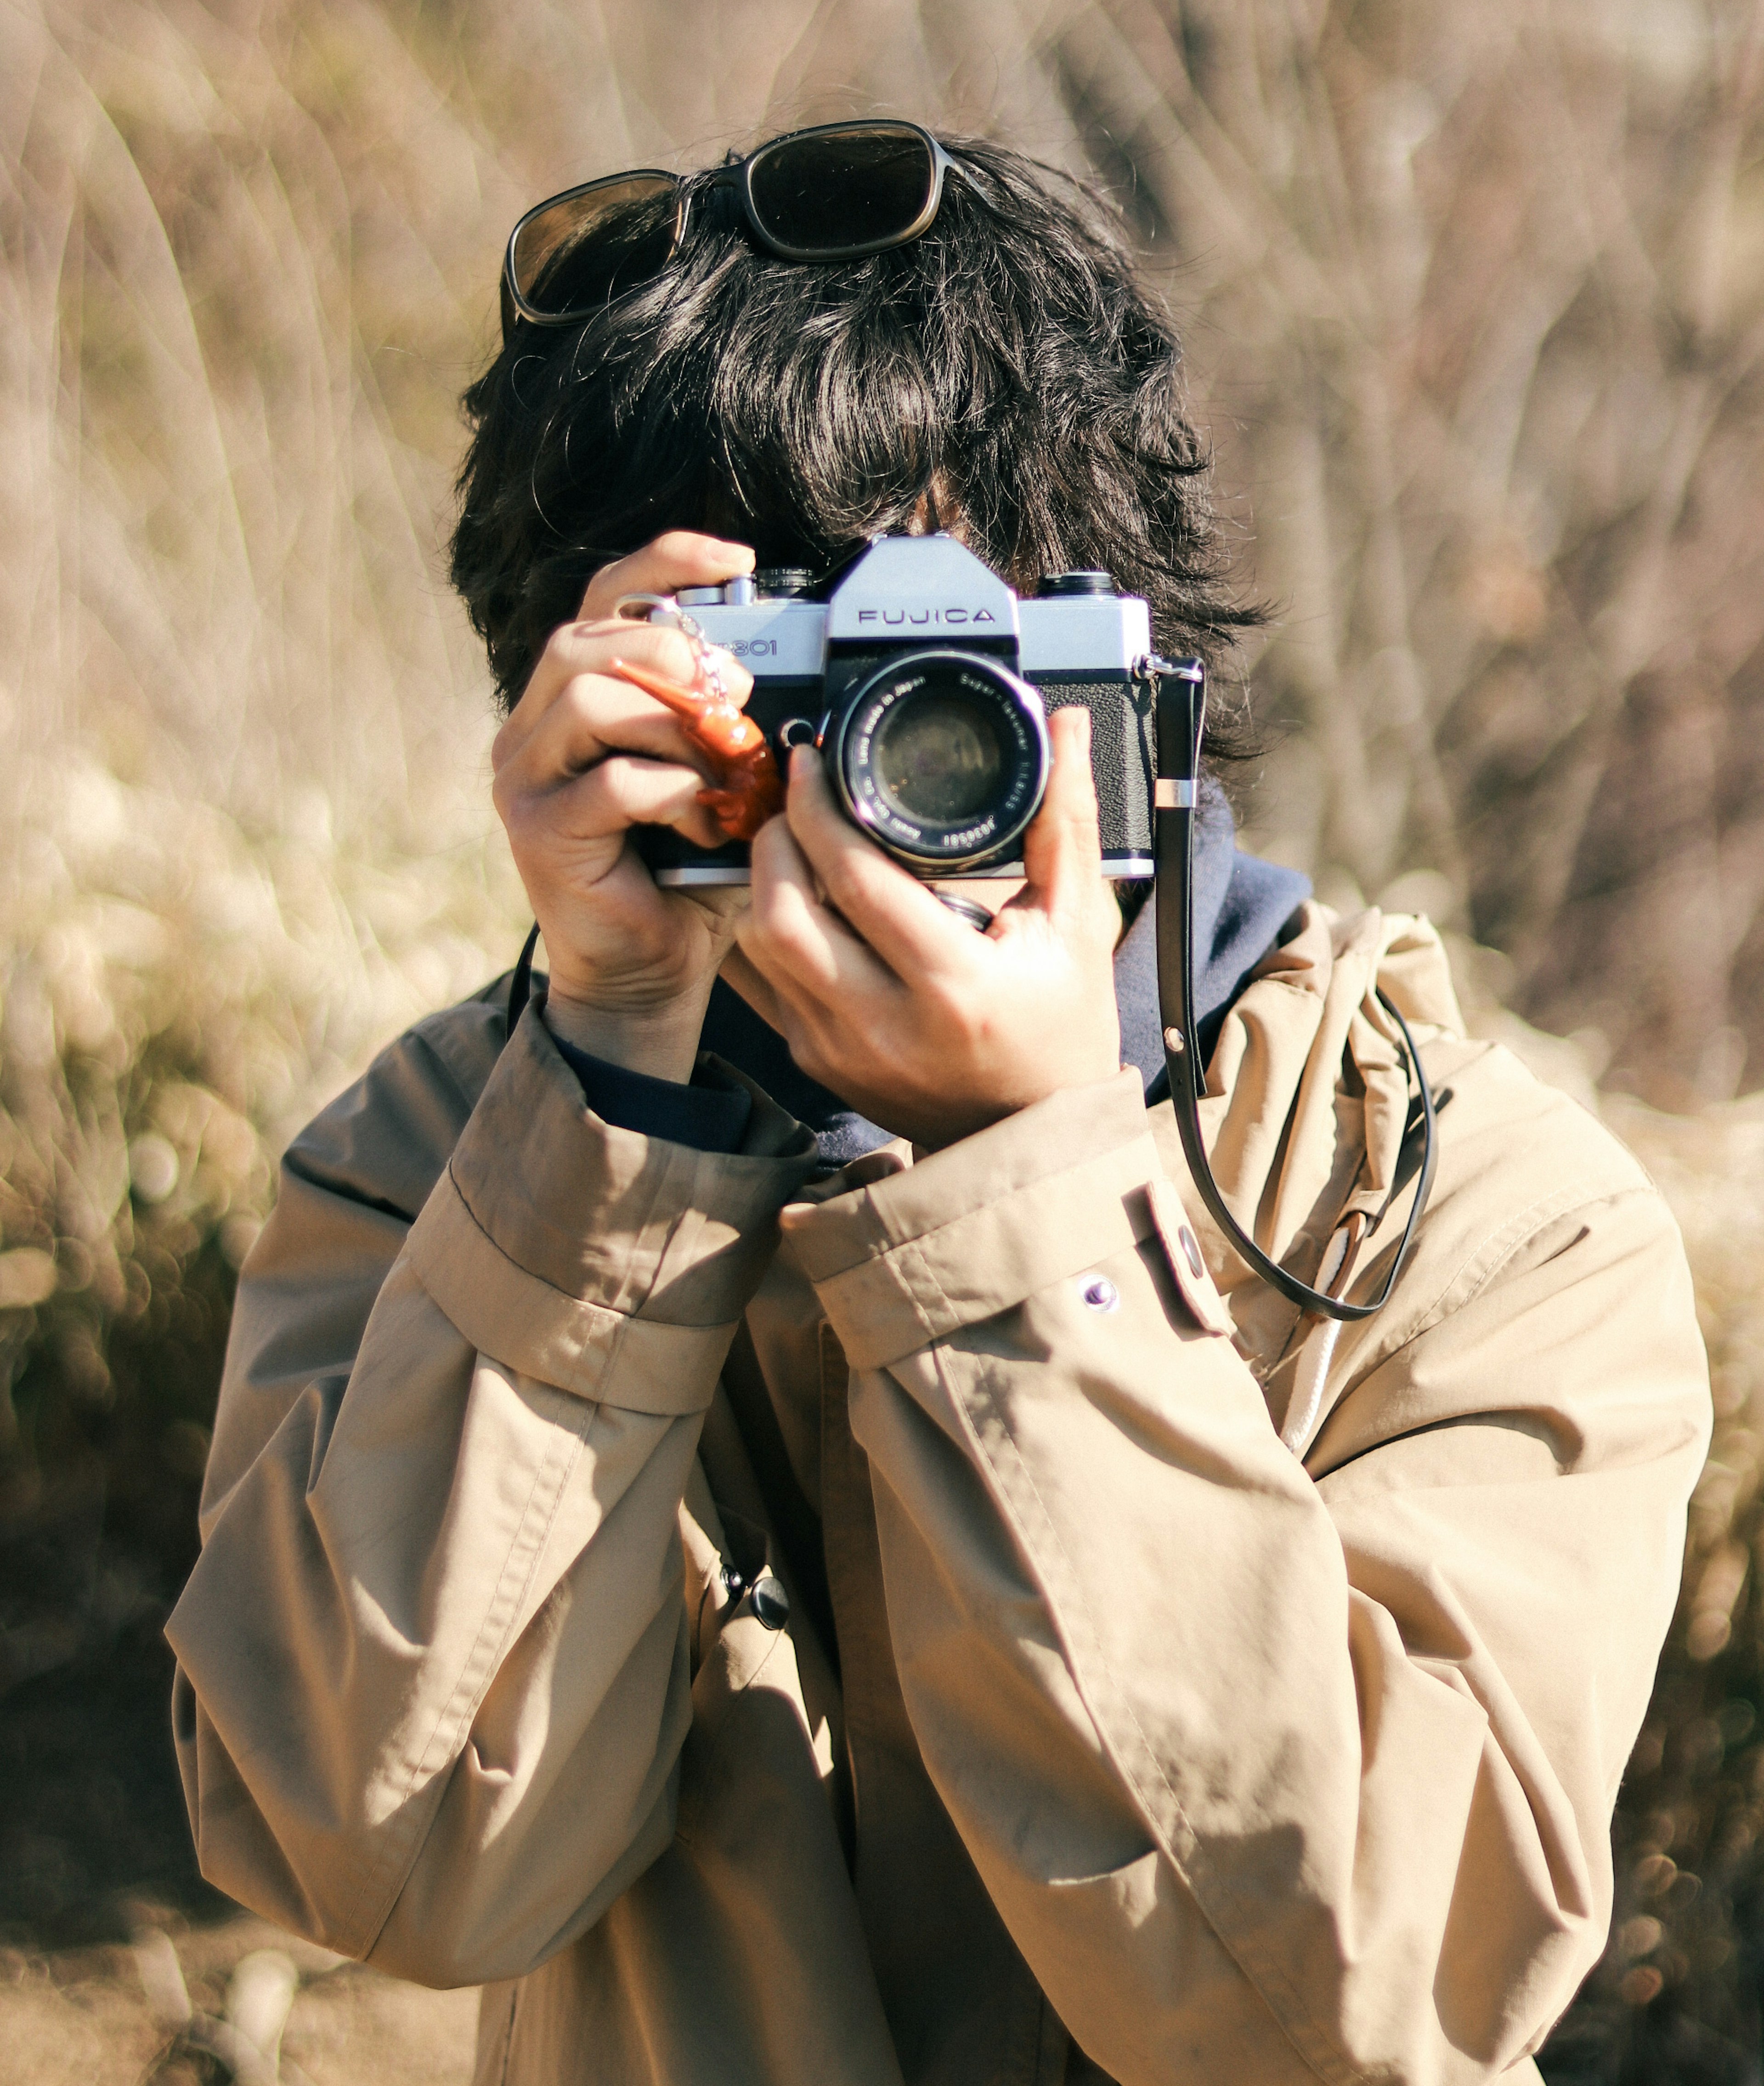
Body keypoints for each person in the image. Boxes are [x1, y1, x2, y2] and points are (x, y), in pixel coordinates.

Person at [168, 127, 1711, 2086]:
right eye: (783, 690)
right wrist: (604, 1099)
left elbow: (1349, 2015)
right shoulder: (445, 1171)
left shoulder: (1449, 1211)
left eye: (947, 677)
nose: (870, 775)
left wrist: (1025, 1186)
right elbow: (385, 1872)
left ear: (1128, 678)